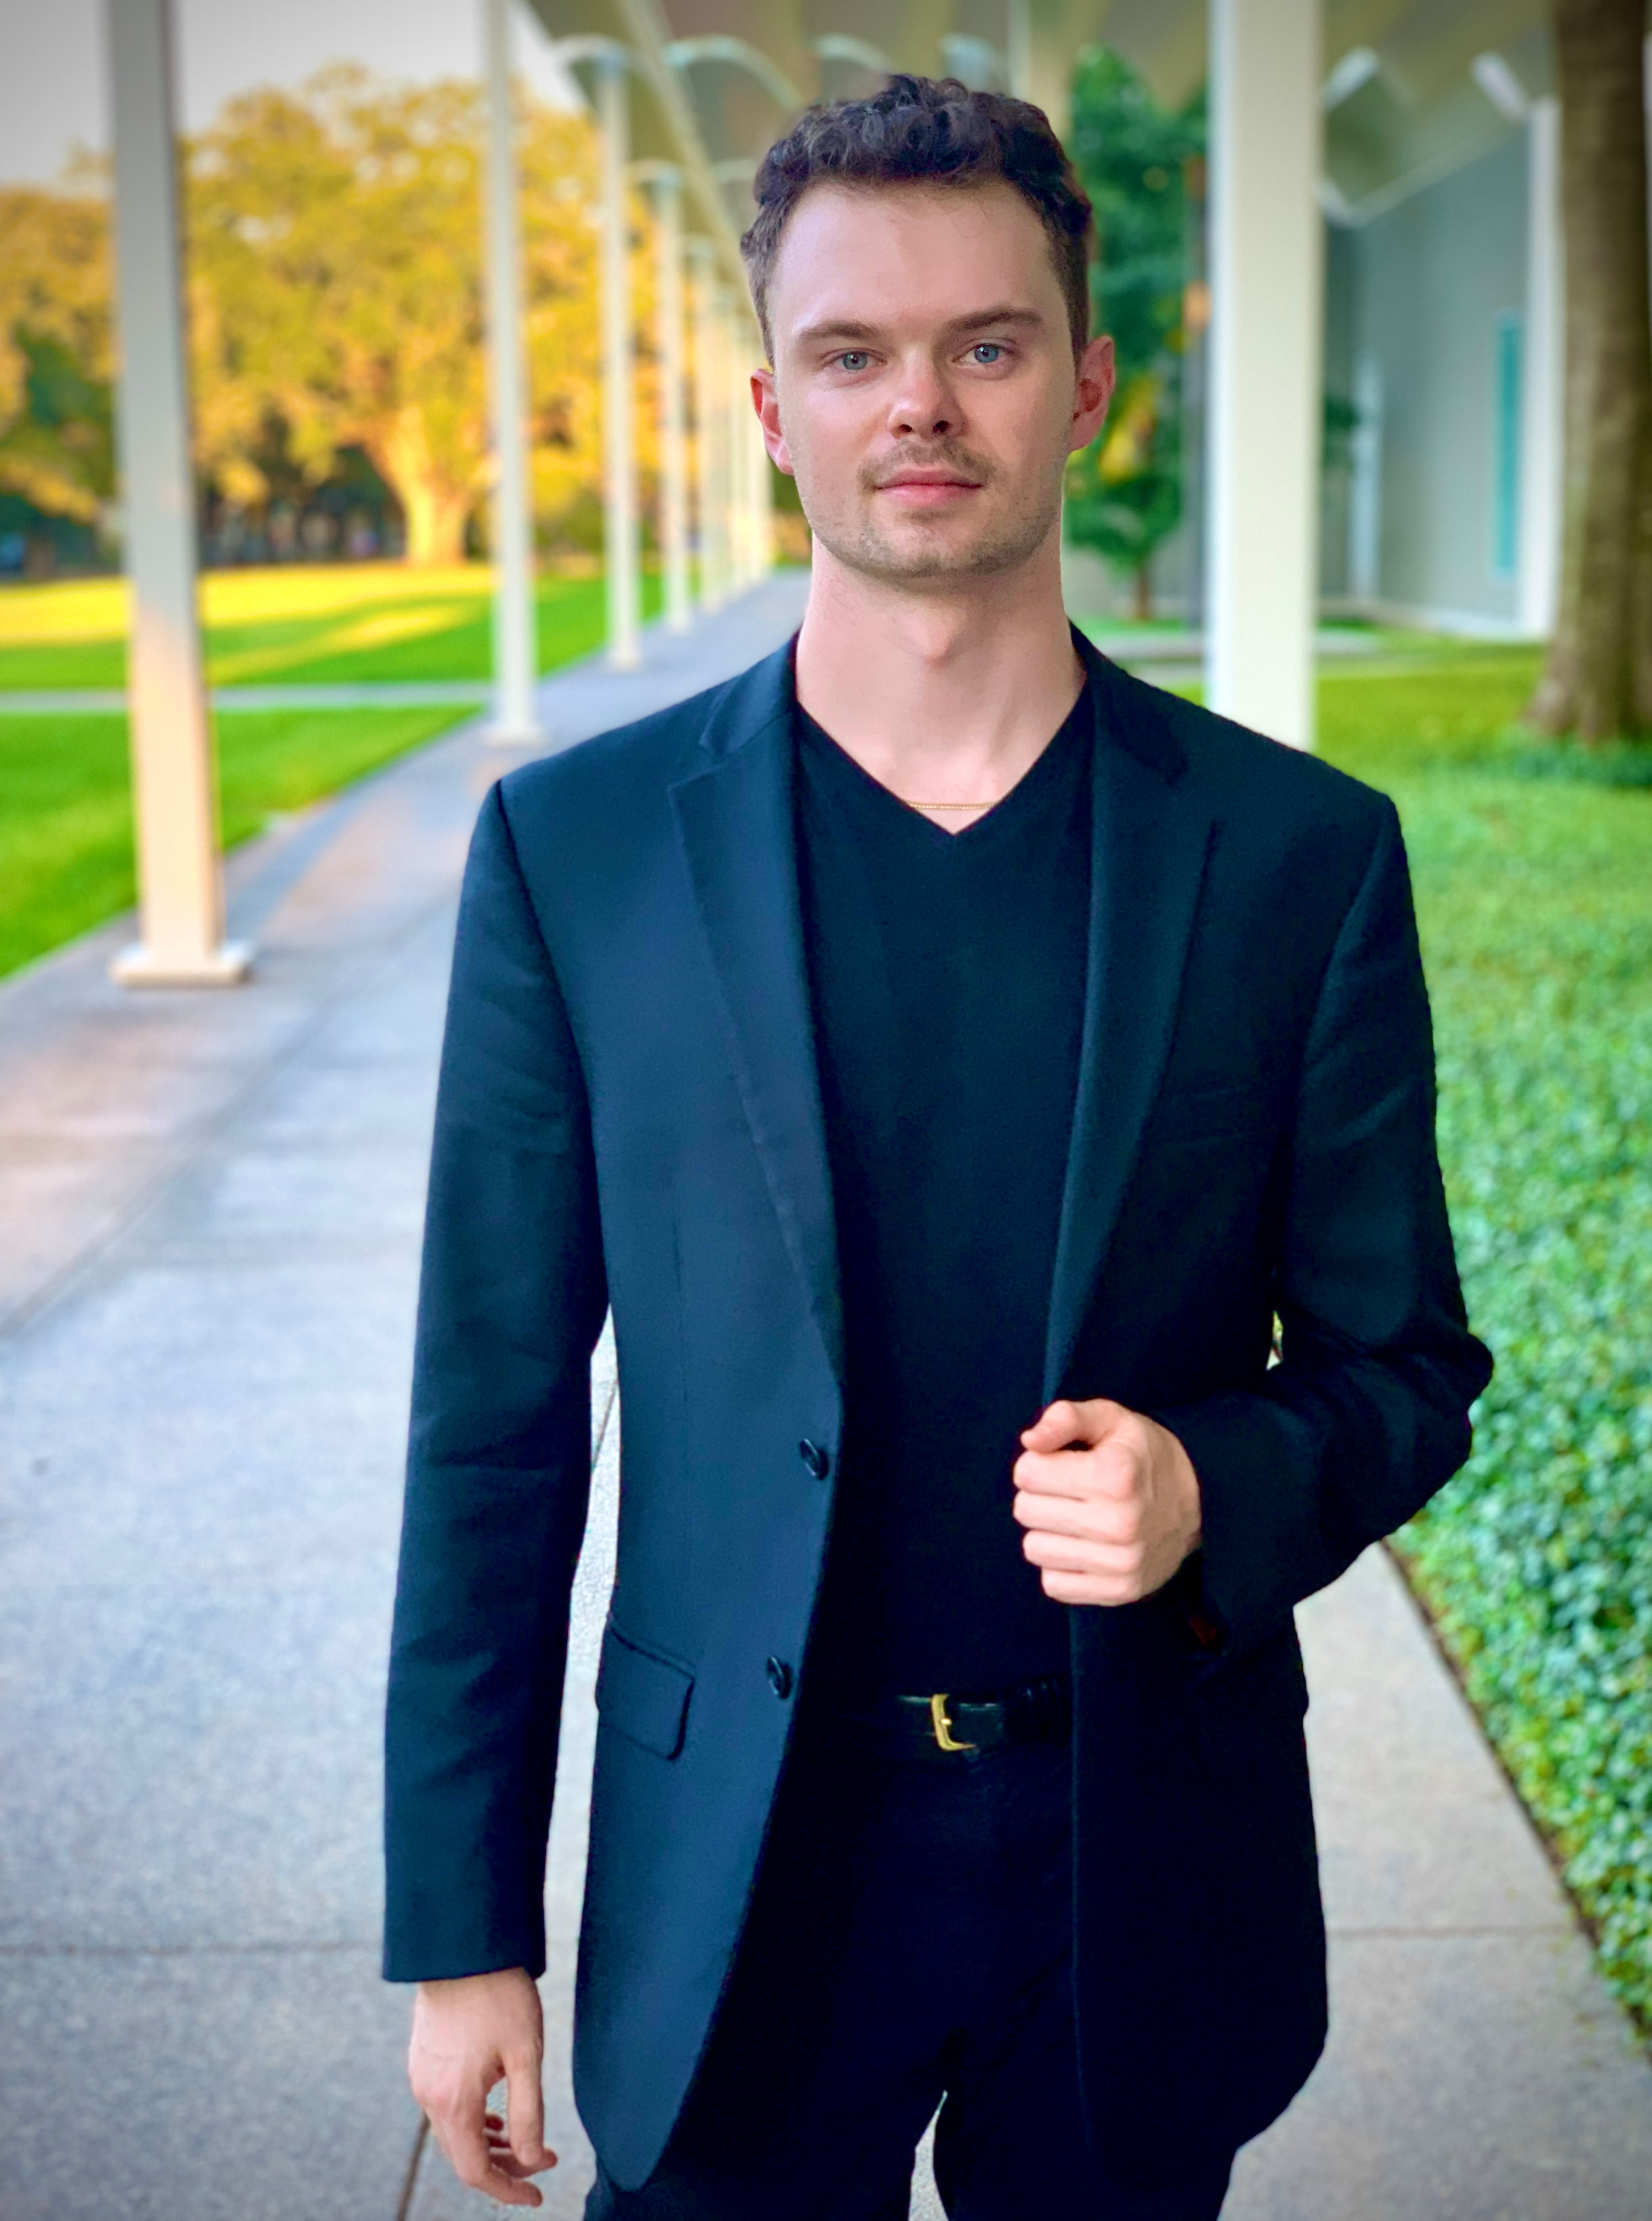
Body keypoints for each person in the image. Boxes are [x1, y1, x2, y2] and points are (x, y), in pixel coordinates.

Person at [383, 75, 1491, 2221]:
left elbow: (1404, 1366)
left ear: (1085, 388)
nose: (922, 405)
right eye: (853, 354)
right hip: (745, 1864)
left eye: (985, 346)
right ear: (769, 407)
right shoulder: (578, 854)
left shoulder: (1298, 859)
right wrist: (463, 1921)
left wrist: (1206, 1485)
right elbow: (494, 1424)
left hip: (1135, 1862)